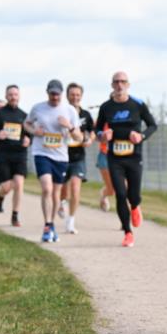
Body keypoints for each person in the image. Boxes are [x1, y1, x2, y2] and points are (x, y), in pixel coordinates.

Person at [95, 72, 158, 247]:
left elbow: (153, 125)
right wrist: (102, 135)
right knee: (120, 194)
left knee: (133, 195)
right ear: (112, 85)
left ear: (128, 84)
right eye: (116, 82)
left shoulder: (137, 104)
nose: (119, 85)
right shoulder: (106, 107)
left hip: (134, 157)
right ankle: (127, 232)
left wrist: (142, 136)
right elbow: (98, 129)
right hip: (114, 157)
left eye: (123, 82)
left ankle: (136, 206)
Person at [24, 79, 81, 242]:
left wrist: (69, 126)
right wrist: (35, 130)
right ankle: (47, 225)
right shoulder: (38, 108)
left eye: (57, 94)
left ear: (62, 94)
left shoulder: (70, 111)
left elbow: (79, 136)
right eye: (52, 94)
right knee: (47, 189)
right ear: (47, 92)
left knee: (56, 193)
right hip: (41, 152)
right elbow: (26, 124)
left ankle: (52, 225)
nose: (55, 97)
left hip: (61, 156)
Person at [0, 85, 31, 227]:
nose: (13, 97)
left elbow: (30, 134)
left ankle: (15, 215)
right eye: (10, 94)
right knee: (6, 186)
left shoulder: (24, 116)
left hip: (19, 155)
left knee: (19, 184)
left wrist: (29, 140)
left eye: (15, 94)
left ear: (19, 96)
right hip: (3, 155)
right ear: (6, 96)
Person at [55, 83, 95, 235]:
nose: (75, 97)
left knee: (76, 188)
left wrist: (90, 139)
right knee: (63, 190)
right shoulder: (61, 112)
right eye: (72, 94)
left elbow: (92, 131)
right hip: (61, 155)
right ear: (67, 96)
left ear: (81, 96)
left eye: (78, 95)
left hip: (78, 156)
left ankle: (71, 221)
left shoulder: (85, 114)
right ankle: (60, 202)